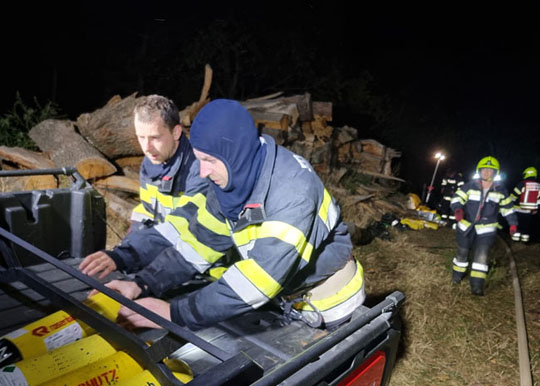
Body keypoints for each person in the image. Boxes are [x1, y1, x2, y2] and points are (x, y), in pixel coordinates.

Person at [97, 99, 366, 331]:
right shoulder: (231, 179)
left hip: (328, 301)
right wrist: (142, 284)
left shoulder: (292, 192)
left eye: (209, 161)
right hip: (284, 299)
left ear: (234, 153)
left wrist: (175, 313)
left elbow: (258, 281)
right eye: (200, 159)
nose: (202, 172)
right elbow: (199, 245)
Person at [80, 95, 196, 279]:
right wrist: (125, 249)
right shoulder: (151, 164)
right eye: (141, 137)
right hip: (162, 250)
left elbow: (184, 226)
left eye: (155, 137)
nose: (147, 147)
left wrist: (126, 255)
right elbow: (147, 213)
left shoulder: (199, 169)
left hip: (197, 264)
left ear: (176, 132)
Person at [450, 156, 518, 296]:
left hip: (487, 229)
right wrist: (458, 209)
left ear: (495, 172)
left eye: (490, 170)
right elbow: (457, 198)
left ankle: (477, 286)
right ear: (479, 171)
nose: (486, 172)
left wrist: (513, 224)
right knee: (462, 253)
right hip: (466, 226)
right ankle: (457, 277)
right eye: (484, 169)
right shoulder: (470, 185)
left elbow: (508, 208)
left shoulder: (501, 190)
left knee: (481, 256)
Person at [510, 167, 540, 242]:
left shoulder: (522, 183)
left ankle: (515, 241)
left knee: (517, 226)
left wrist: (509, 203)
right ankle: (525, 241)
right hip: (529, 211)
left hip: (518, 209)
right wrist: (536, 209)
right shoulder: (539, 186)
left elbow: (514, 194)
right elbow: (539, 199)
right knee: (525, 227)